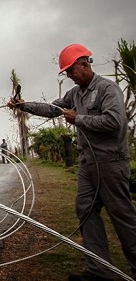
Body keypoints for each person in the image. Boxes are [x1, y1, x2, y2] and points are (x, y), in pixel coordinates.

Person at [8, 44, 136, 281]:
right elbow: (52, 109)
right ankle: (100, 271)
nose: (69, 75)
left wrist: (80, 118)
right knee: (85, 209)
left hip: (111, 162)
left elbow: (114, 122)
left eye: (71, 70)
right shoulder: (75, 94)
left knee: (122, 215)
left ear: (85, 65)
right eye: (66, 72)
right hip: (88, 164)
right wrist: (23, 106)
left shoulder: (108, 89)